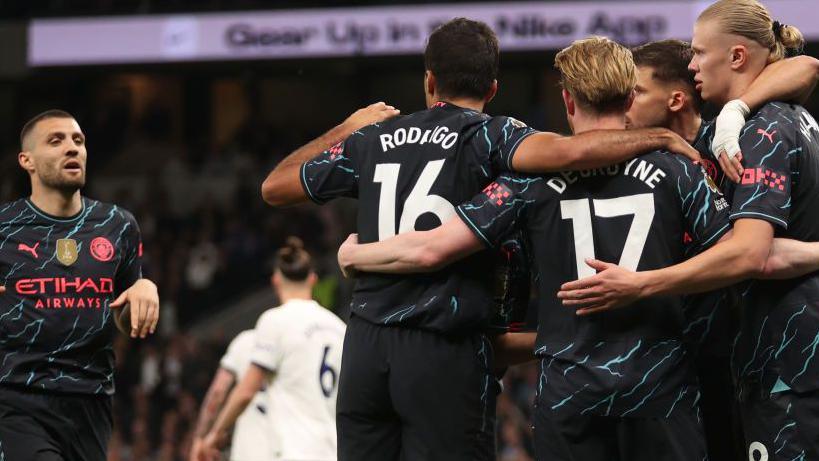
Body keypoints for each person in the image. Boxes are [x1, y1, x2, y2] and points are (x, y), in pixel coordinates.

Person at [261, 17, 700, 461]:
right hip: (446, 346)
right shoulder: (494, 135)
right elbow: (573, 151)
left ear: (429, 80)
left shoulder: (373, 138)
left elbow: (274, 187)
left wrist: (349, 129)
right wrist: (658, 136)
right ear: (492, 88)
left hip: (366, 346)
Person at [558, 1, 819, 458]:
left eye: (634, 93)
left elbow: (752, 254)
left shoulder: (750, 134)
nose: (693, 64)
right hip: (730, 360)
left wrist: (640, 285)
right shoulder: (723, 135)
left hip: (776, 356)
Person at [627, 38, 819, 460]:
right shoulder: (628, 162)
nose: (625, 104)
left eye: (636, 92)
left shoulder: (724, 140)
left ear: (676, 99)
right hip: (669, 367)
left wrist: (737, 108)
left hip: (737, 356)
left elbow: (805, 66)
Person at [0, 109, 159, 461]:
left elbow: (125, 319)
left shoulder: (118, 225)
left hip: (91, 399)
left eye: (78, 141)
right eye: (55, 141)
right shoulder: (4, 227)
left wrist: (144, 289)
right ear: (27, 160)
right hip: (16, 397)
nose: (72, 148)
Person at [200, 238, 345, 461]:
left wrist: (215, 433)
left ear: (276, 281)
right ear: (313, 279)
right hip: (335, 452)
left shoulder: (274, 322)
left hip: (296, 452)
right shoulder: (340, 328)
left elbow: (246, 391)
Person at [189, 329, 271, 461]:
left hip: (252, 450)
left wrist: (201, 437)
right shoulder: (299, 343)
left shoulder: (245, 342)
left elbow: (217, 392)